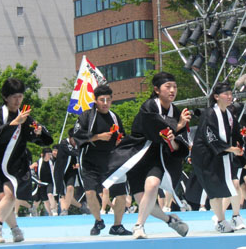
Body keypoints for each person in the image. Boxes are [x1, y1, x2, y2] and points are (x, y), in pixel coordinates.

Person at [104, 72, 191, 239]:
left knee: (152, 185)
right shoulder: (149, 106)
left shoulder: (177, 111)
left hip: (158, 157)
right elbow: (154, 130)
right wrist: (178, 125)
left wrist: (173, 141)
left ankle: (138, 226)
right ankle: (170, 220)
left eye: (175, 87)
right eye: (168, 87)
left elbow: (180, 141)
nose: (172, 90)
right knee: (144, 200)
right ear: (157, 90)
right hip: (137, 155)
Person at [0, 78, 53, 243]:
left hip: (10, 166)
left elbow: (44, 140)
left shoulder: (25, 116)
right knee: (5, 199)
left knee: (8, 196)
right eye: (14, 96)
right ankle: (13, 229)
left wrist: (38, 133)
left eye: (20, 96)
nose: (18, 100)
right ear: (5, 97)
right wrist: (16, 123)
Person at [73, 84, 131, 236]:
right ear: (95, 100)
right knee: (90, 193)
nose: (105, 103)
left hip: (112, 161)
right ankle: (98, 220)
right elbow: (76, 135)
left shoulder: (114, 117)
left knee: (121, 194)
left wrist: (120, 140)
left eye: (108, 100)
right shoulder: (86, 116)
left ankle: (117, 225)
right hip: (90, 161)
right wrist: (98, 137)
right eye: (102, 100)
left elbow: (123, 135)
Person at [191, 82, 246, 233]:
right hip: (206, 157)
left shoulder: (229, 114)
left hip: (223, 155)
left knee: (234, 184)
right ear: (216, 97)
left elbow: (236, 133)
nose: (230, 96)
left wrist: (240, 147)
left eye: (231, 93)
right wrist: (231, 149)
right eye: (226, 94)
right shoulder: (209, 114)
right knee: (215, 191)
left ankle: (236, 216)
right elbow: (210, 137)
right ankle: (220, 221)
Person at [54, 128, 89, 215]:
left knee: (70, 188)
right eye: (74, 139)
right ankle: (81, 206)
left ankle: (65, 210)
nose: (75, 141)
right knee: (63, 195)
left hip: (71, 170)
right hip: (60, 171)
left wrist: (78, 163)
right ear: (70, 137)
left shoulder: (78, 144)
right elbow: (74, 152)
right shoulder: (63, 143)